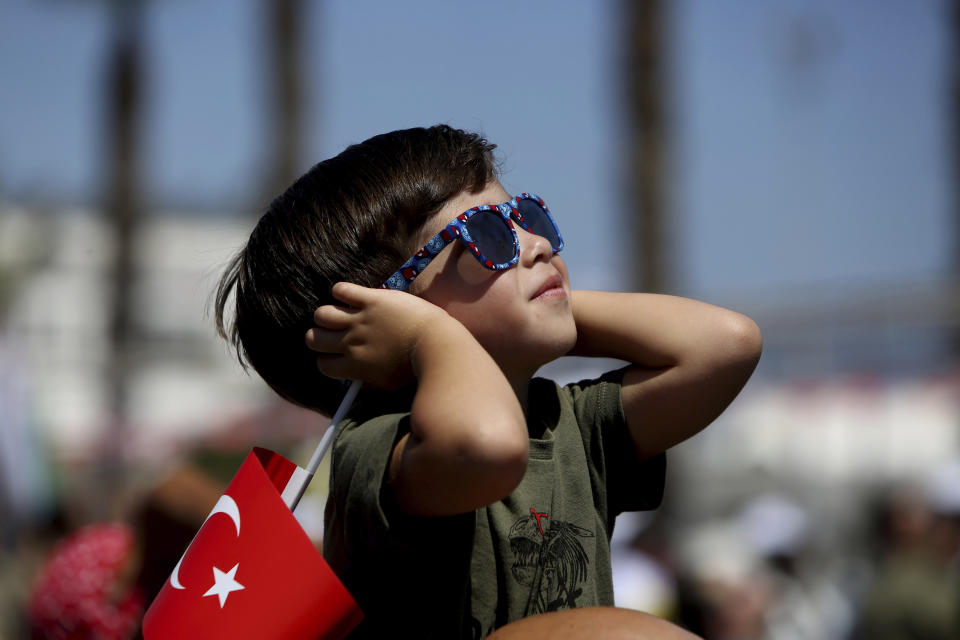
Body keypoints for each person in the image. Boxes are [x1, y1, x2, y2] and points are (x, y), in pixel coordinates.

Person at [214, 125, 761, 638]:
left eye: (525, 216)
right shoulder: (381, 448)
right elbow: (485, 446)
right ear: (382, 315)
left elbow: (726, 344)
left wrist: (545, 307)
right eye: (486, 236)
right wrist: (428, 339)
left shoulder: (572, 426)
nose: (537, 244)